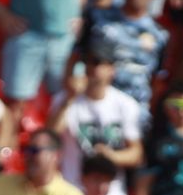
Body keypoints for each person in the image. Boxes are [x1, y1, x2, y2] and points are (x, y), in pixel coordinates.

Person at [0, 0, 117, 119]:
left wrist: (91, 20)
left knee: (69, 103)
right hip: (25, 38)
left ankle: (60, 144)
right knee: (14, 106)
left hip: (67, 41)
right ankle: (9, 144)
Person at [78, 0, 168, 134]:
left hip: (135, 116)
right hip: (94, 110)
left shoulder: (160, 35)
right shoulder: (98, 19)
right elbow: (77, 56)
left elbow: (157, 81)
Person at [48, 47, 143, 187]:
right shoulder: (63, 99)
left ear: (112, 69)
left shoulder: (126, 104)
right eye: (87, 62)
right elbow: (49, 139)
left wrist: (111, 156)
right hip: (73, 190)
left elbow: (137, 154)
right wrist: (70, 98)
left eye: (98, 63)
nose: (92, 68)